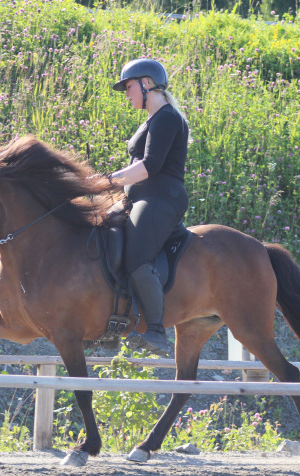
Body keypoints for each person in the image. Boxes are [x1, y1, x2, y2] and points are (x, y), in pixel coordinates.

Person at [105, 58, 190, 353]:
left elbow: (150, 166)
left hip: (159, 199)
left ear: (147, 84)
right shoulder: (152, 119)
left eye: (128, 86)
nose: (126, 93)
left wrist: (109, 180)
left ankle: (155, 331)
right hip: (138, 197)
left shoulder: (167, 118)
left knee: (137, 256)